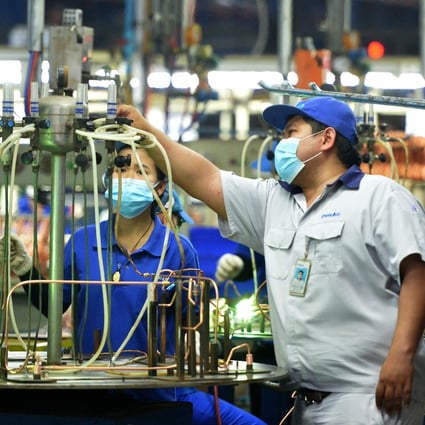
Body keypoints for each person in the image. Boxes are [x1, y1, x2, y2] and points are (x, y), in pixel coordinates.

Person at [116, 97, 425, 425]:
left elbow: (417, 274)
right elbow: (205, 178)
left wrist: (401, 356)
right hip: (307, 399)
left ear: (326, 139)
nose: (281, 143)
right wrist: (148, 132)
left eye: (291, 132)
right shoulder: (275, 203)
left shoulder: (378, 197)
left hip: (370, 395)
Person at [1, 142, 266, 425]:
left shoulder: (176, 248)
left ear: (160, 188)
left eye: (142, 171)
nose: (128, 178)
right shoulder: (82, 241)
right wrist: (25, 269)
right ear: (108, 179)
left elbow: (193, 323)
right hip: (92, 390)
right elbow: (54, 306)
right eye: (121, 168)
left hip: (160, 394)